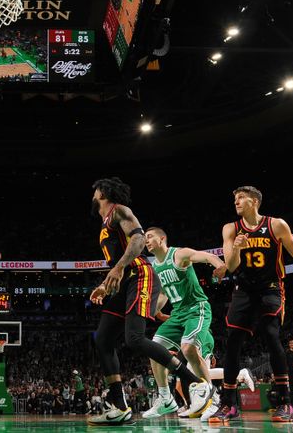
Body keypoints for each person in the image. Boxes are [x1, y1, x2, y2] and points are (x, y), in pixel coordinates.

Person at [209, 186, 293, 424]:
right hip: (243, 289)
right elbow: (231, 266)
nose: (236, 201)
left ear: (255, 201)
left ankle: (286, 402)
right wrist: (237, 248)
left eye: (241, 197)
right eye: (235, 198)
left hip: (271, 287)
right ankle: (228, 404)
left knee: (270, 334)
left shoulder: (277, 225)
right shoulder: (230, 228)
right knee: (233, 341)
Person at [87, 177, 202, 425]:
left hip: (140, 276)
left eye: (96, 190)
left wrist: (117, 270)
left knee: (134, 339)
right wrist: (104, 286)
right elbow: (118, 262)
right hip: (123, 282)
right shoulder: (105, 223)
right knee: (104, 339)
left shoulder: (120, 211)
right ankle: (119, 407)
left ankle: (197, 384)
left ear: (104, 193)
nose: (93, 193)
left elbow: (138, 240)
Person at [142, 227, 226, 419]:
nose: (146, 241)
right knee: (154, 349)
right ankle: (165, 398)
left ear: (162, 238)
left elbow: (202, 255)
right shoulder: (155, 267)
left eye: (150, 237)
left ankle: (212, 399)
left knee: (188, 349)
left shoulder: (179, 254)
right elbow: (163, 293)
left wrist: (219, 264)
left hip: (197, 308)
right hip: (177, 314)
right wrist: (155, 311)